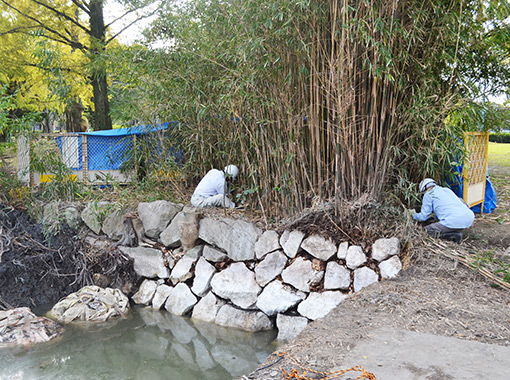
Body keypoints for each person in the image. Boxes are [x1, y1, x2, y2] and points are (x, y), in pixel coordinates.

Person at [413, 178, 475, 243]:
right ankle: (455, 229)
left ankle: (453, 235)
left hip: (454, 221)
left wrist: (413, 215)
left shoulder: (428, 194)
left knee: (426, 231)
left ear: (424, 189)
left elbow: (423, 217)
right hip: (469, 218)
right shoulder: (446, 190)